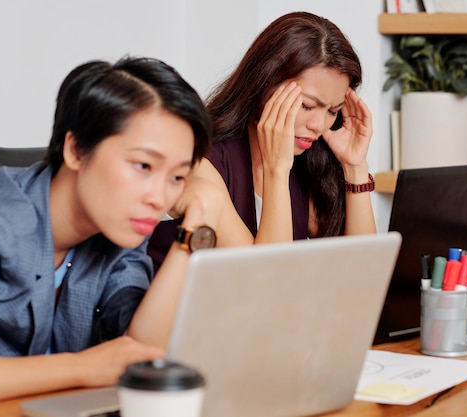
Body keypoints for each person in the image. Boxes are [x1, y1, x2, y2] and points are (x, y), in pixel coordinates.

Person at [0, 56, 224, 408]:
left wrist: (193, 235)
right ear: (77, 150)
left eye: (177, 177)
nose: (158, 199)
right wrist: (80, 368)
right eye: (143, 166)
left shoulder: (122, 227)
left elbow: (142, 351)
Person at [147, 11, 376, 269]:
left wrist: (355, 167)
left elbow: (362, 270)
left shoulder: (309, 163)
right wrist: (276, 170)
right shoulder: (199, 163)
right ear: (263, 84)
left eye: (333, 111)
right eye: (307, 106)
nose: (319, 126)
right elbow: (265, 277)